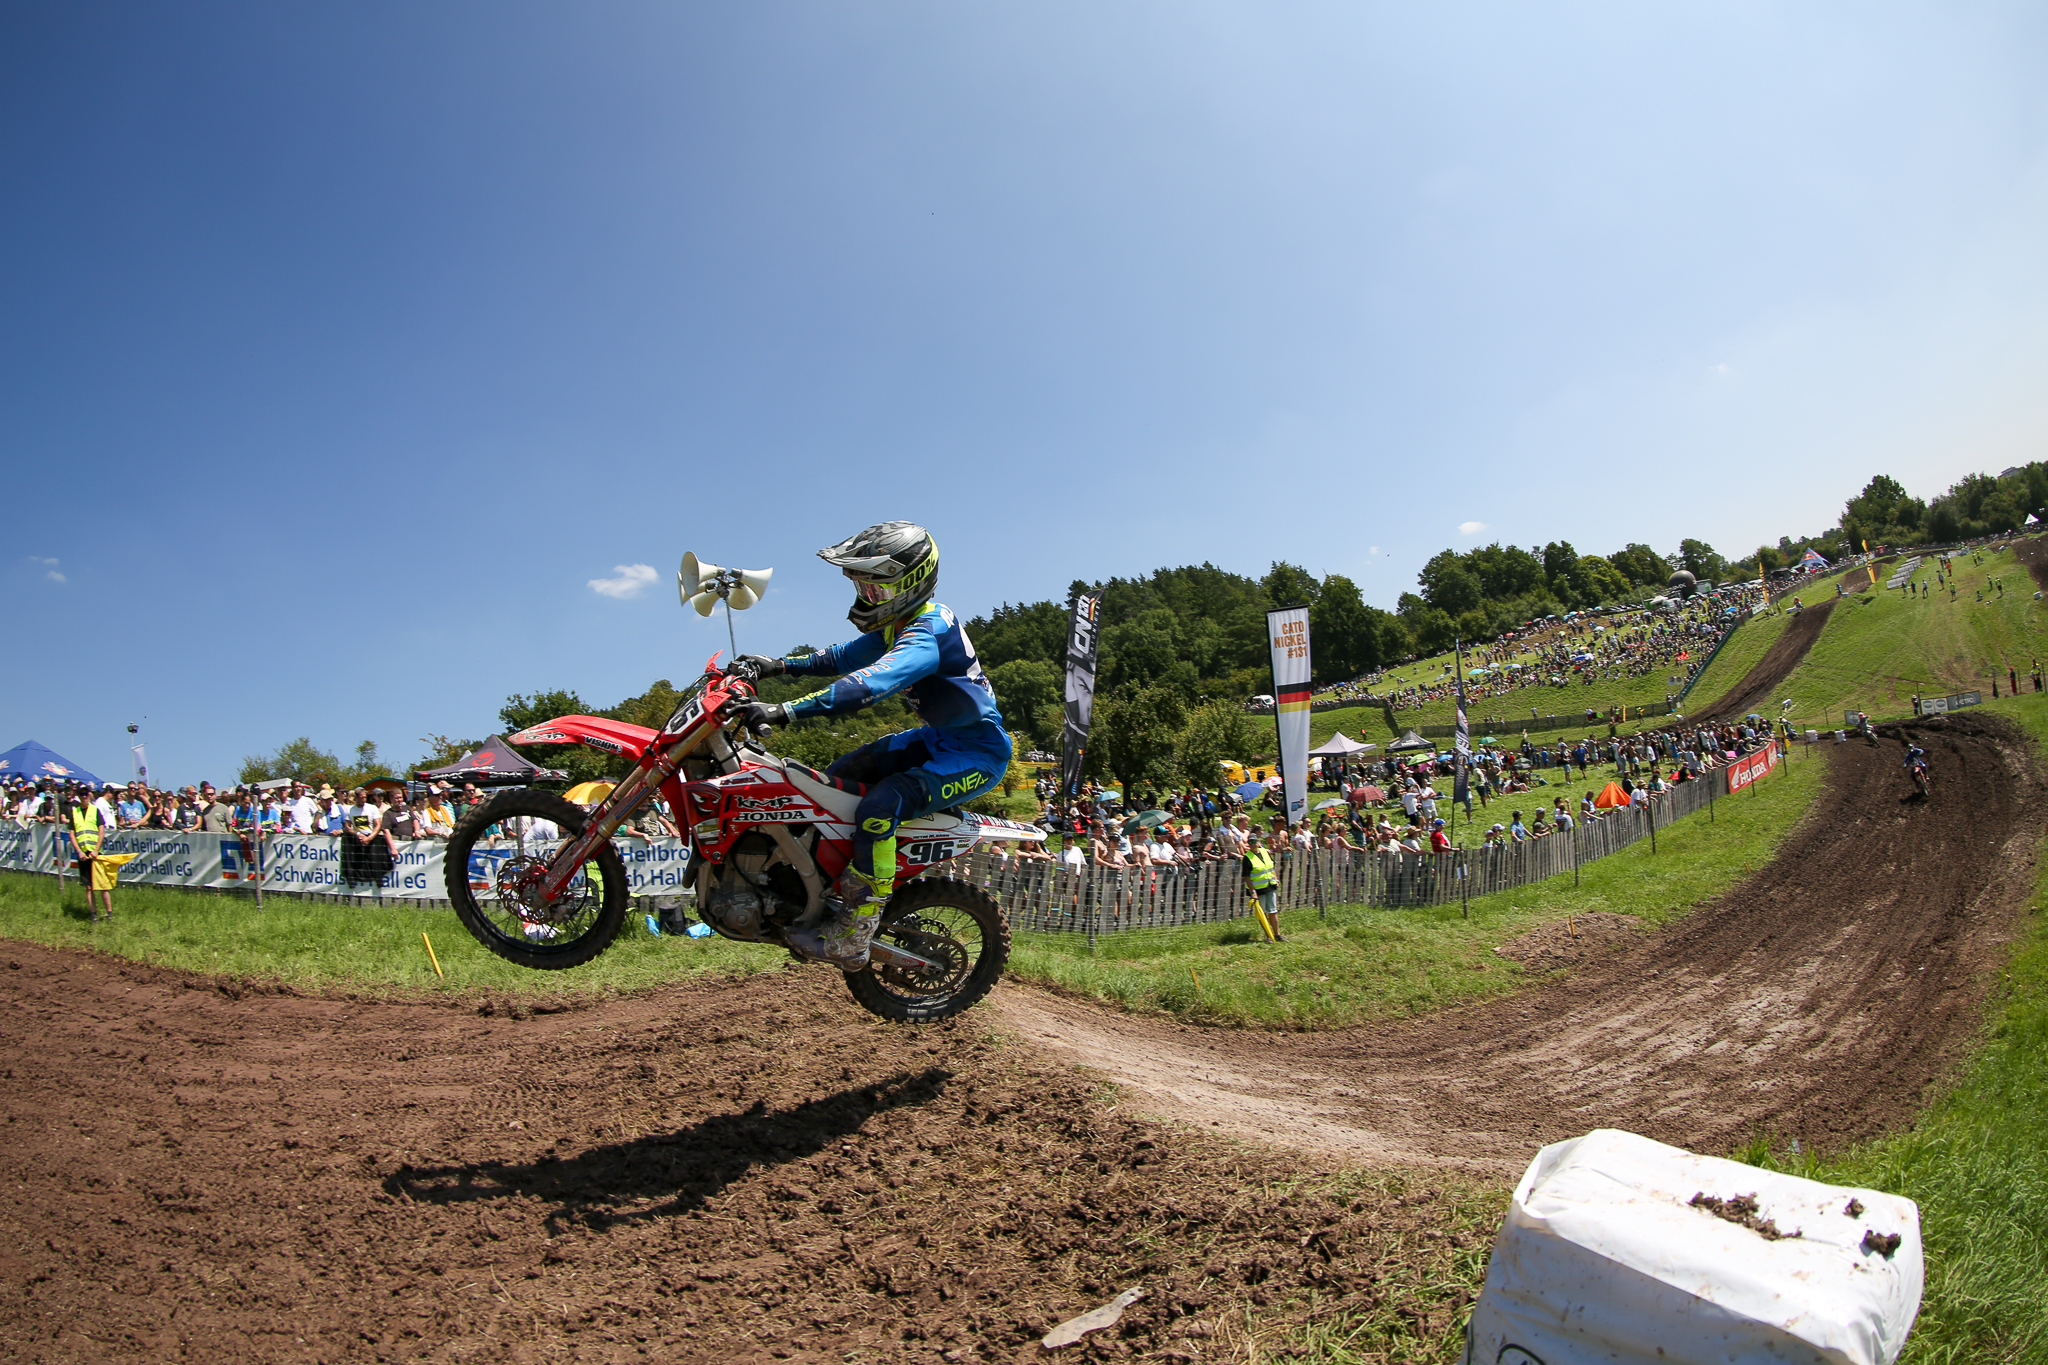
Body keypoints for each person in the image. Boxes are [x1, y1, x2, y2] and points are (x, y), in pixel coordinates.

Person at [732, 522, 1012, 968]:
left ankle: (856, 931)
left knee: (880, 807)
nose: (866, 596)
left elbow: (869, 684)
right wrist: (778, 666)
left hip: (978, 755)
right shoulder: (897, 624)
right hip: (938, 740)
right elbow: (842, 656)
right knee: (841, 775)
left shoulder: (928, 630)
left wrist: (785, 710)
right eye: (862, 586)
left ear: (910, 583)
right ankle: (816, 890)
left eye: (874, 588)